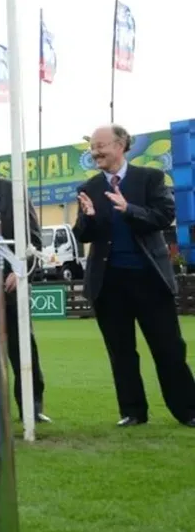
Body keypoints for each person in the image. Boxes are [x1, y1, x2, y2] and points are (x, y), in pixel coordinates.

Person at [74, 124, 195, 428]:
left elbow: (164, 216)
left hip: (149, 279)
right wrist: (88, 219)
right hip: (109, 283)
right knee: (121, 352)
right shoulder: (88, 188)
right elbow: (83, 235)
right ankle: (132, 412)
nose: (95, 152)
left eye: (101, 146)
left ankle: (188, 410)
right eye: (92, 148)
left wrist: (129, 209)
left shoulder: (150, 178)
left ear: (121, 145)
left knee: (169, 348)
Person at [0, 140, 51, 423]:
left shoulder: (11, 191)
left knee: (22, 349)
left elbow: (32, 240)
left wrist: (20, 271)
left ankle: (31, 409)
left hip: (9, 287)